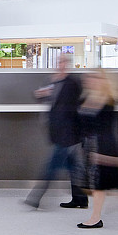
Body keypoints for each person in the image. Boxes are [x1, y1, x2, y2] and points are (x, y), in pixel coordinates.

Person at [77, 70, 118, 229]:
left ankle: (95, 218)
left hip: (101, 146)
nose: (91, 80)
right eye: (90, 77)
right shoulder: (87, 98)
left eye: (96, 77)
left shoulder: (108, 101)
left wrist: (102, 154)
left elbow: (105, 129)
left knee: (98, 185)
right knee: (91, 186)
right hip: (88, 146)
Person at [25, 54, 88, 209]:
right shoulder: (51, 80)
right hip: (58, 130)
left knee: (51, 166)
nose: (61, 64)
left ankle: (35, 197)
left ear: (68, 64)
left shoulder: (73, 82)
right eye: (59, 61)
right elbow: (42, 96)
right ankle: (80, 198)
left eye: (64, 62)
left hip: (69, 131)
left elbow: (80, 102)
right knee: (73, 166)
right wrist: (40, 94)